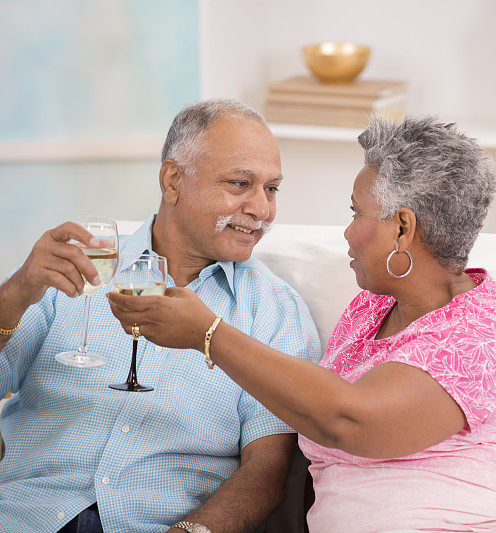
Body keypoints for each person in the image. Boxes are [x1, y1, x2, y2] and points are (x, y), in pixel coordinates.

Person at [107, 116, 496, 532]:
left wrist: (209, 334)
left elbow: (349, 419)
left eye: (356, 213)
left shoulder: (479, 337)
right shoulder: (370, 310)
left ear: (402, 229)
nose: (347, 232)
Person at [0, 99, 321, 533]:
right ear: (173, 180)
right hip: (22, 515)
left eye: (271, 189)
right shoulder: (81, 262)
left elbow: (266, 473)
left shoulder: (276, 312)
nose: (262, 209)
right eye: (240, 184)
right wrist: (18, 289)